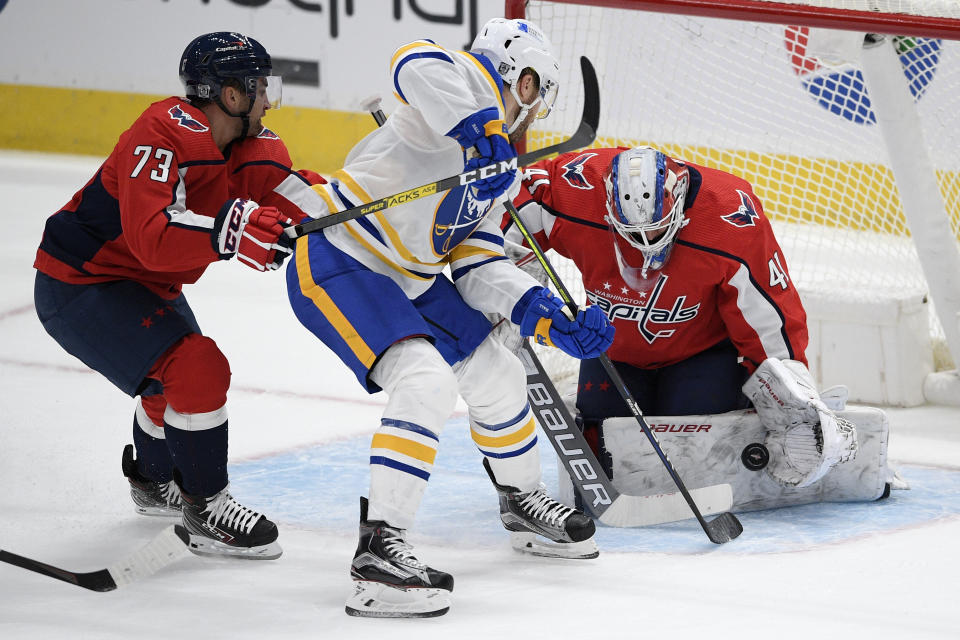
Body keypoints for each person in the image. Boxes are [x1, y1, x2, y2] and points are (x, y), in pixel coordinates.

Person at [285, 18, 614, 618]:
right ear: (522, 73)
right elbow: (412, 59)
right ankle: (381, 553)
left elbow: (476, 263)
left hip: (413, 279)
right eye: (537, 93)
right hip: (344, 254)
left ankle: (521, 500)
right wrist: (476, 129)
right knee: (425, 382)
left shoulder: (499, 168)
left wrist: (544, 315)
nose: (533, 111)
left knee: (499, 374)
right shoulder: (458, 82)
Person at [33, 32, 320, 560]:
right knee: (197, 368)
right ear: (230, 95)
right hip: (79, 282)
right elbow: (151, 237)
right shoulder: (160, 134)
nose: (268, 97)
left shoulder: (255, 145)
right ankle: (206, 507)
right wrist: (230, 233)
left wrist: (373, 206)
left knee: (173, 379)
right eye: (259, 86)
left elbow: (305, 202)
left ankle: (151, 478)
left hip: (140, 281)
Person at [503, 146, 859, 496]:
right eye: (630, 232)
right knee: (603, 452)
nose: (644, 246)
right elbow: (508, 212)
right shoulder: (573, 188)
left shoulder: (730, 216)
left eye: (656, 230)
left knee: (697, 453)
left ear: (678, 208)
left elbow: (769, 315)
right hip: (611, 347)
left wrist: (791, 403)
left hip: (700, 353)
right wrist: (527, 302)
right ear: (607, 208)